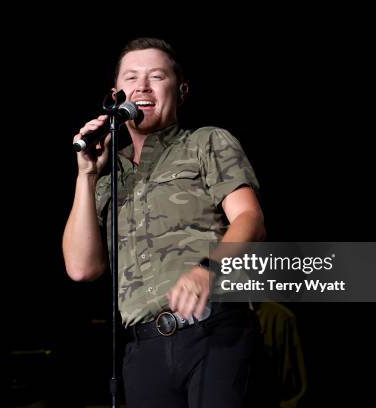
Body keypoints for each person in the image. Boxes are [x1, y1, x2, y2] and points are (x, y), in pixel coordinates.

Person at [62, 37, 268, 407]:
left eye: (156, 76)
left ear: (181, 89)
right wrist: (87, 176)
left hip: (215, 330)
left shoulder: (205, 143)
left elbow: (250, 218)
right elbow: (81, 268)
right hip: (143, 349)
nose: (142, 86)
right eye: (131, 77)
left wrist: (210, 269)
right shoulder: (109, 177)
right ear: (115, 96)